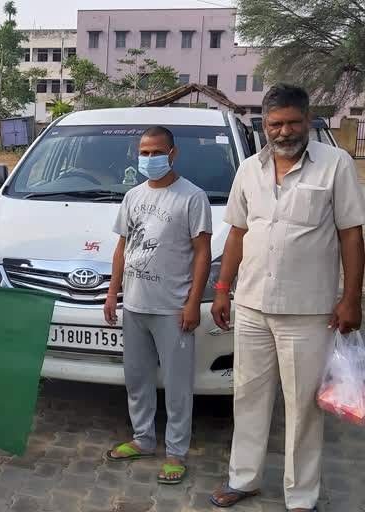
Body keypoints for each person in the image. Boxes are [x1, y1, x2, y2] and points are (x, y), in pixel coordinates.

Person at [209, 84, 365, 511]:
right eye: (275, 124)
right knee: (248, 396)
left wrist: (352, 299)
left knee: (301, 409)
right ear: (264, 125)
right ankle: (244, 479)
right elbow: (238, 232)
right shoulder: (249, 169)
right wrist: (223, 290)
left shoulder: (335, 165)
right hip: (253, 306)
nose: (284, 131)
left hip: (309, 310)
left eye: (293, 122)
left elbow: (352, 235)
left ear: (309, 120)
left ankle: (301, 496)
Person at [103, 126, 212, 485]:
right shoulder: (133, 195)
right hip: (135, 305)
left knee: (178, 386)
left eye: (157, 152)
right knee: (137, 379)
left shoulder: (191, 197)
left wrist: (193, 302)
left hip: (173, 308)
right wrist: (112, 292)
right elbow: (123, 246)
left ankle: (176, 452)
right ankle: (143, 439)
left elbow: (202, 253)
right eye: (144, 153)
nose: (150, 159)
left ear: (173, 153)